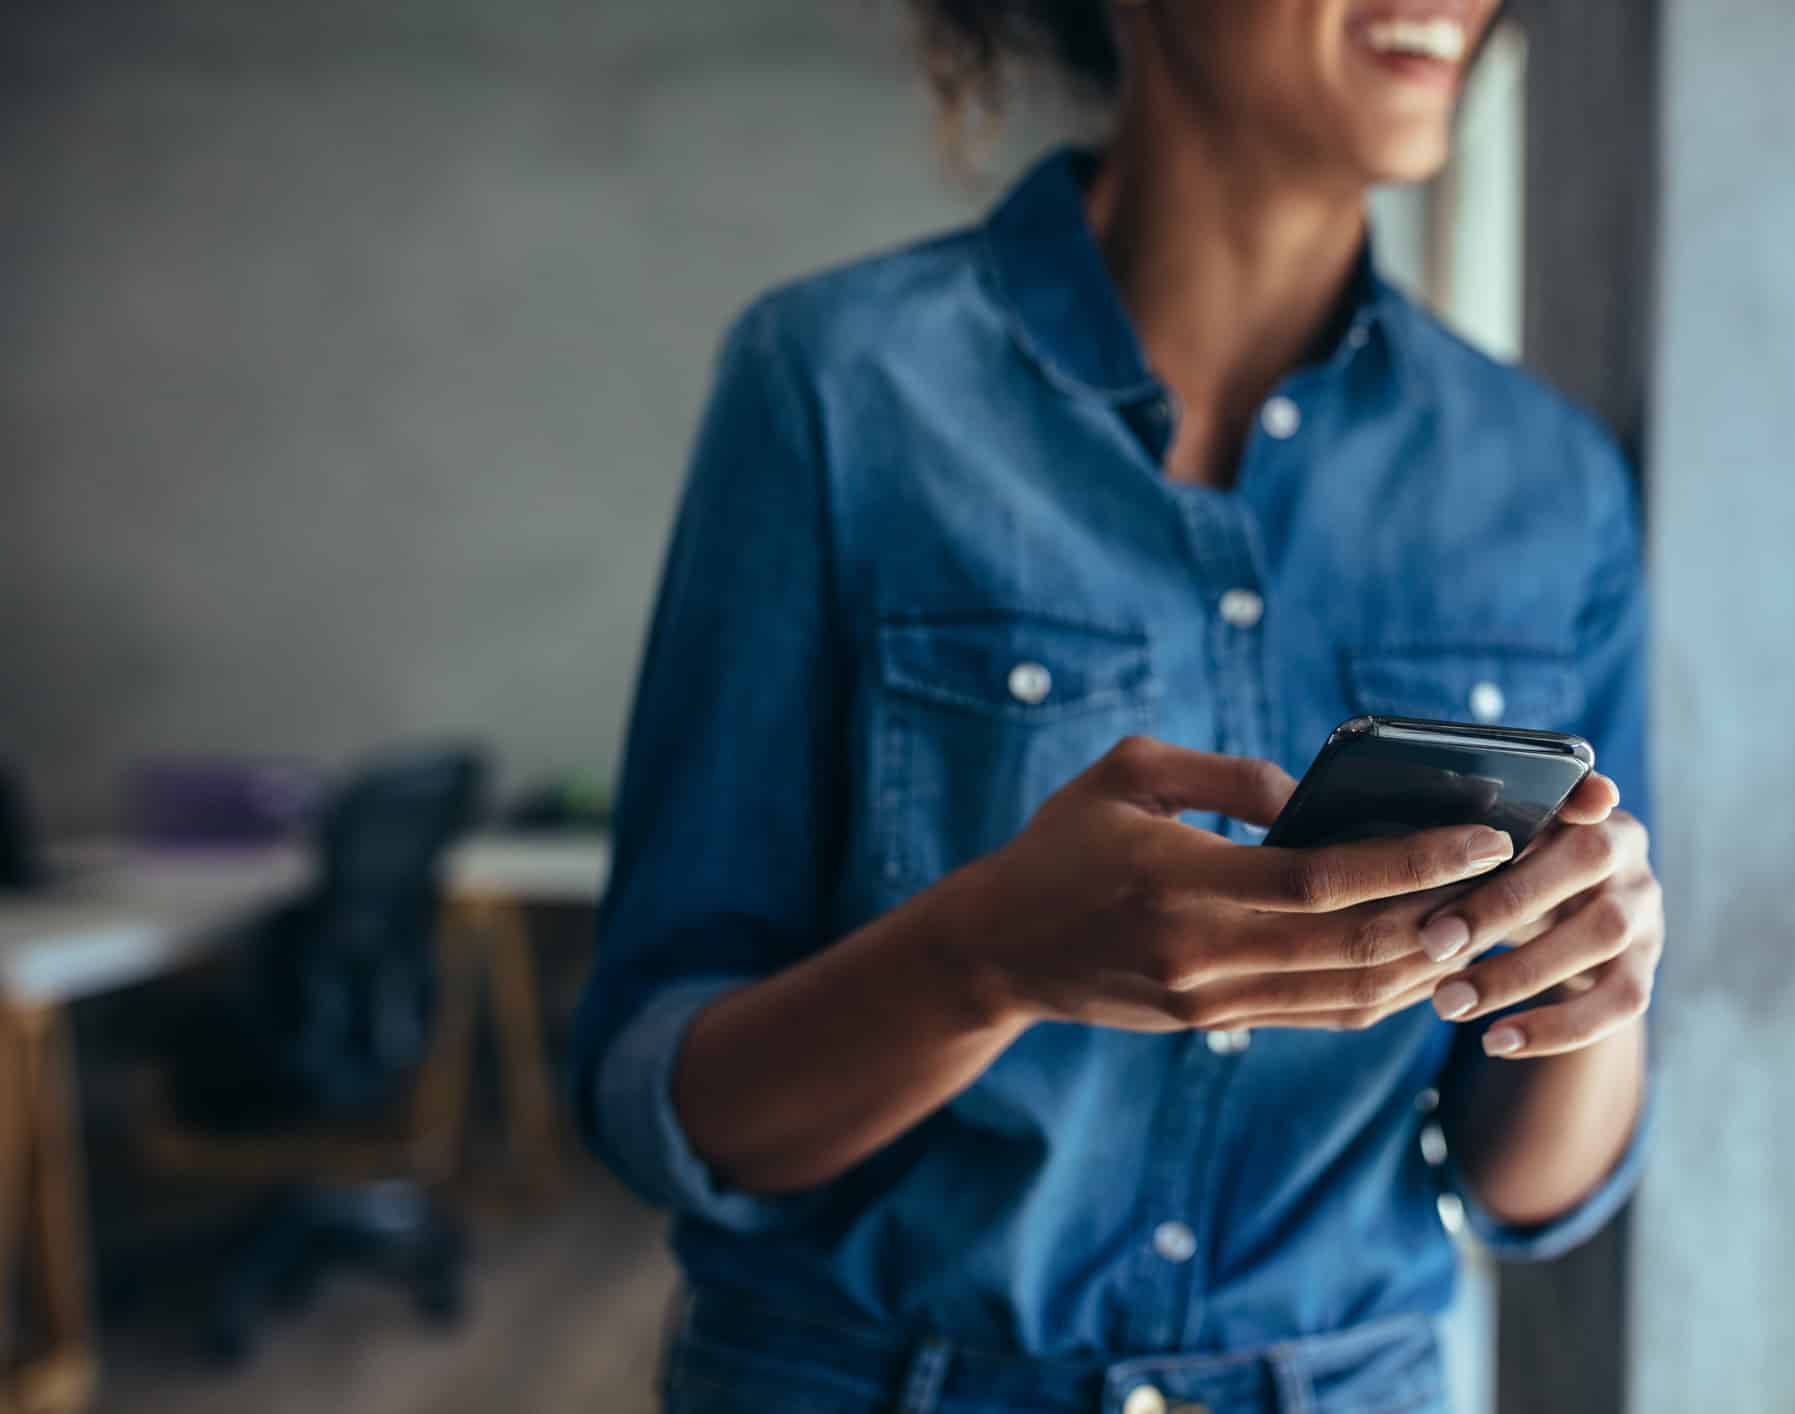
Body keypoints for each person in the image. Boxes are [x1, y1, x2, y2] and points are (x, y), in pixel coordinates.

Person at [576, 1, 1663, 1410]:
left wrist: (1593, 984)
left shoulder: (1549, 483)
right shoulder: (835, 389)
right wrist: (978, 961)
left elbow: (1531, 1187)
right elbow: (664, 1098)